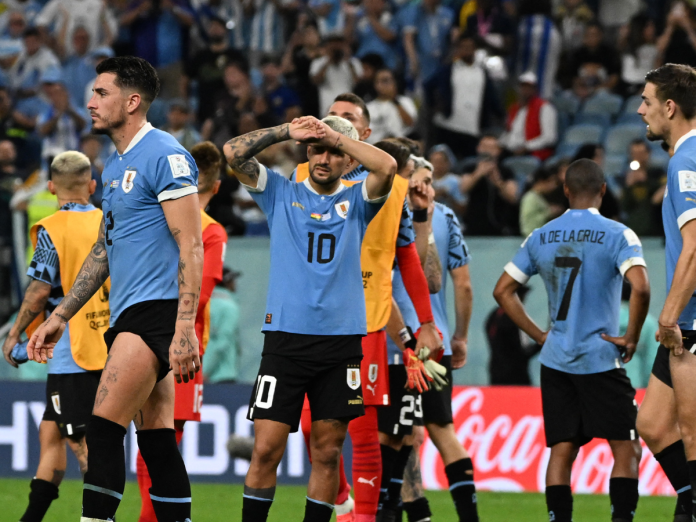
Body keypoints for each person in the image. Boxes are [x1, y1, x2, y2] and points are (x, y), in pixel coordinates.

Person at [28, 56, 202, 522]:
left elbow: (191, 242)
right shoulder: (114, 165)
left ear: (132, 101)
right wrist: (60, 315)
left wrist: (185, 324)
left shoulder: (165, 155)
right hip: (134, 311)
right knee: (157, 437)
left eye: (101, 93)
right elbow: (104, 249)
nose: (90, 102)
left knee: (102, 429)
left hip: (154, 311)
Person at [223, 114, 396, 522]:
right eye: (317, 150)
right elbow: (231, 153)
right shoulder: (280, 192)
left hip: (340, 344)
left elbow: (387, 166)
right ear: (306, 153)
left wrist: (336, 137)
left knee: (328, 452)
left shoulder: (358, 200)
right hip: (285, 340)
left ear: (348, 160)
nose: (324, 158)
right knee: (266, 449)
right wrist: (285, 132)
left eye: (334, 153)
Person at [293, 94, 441, 522]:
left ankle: (363, 516)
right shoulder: (303, 176)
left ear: (365, 133)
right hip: (311, 319)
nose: (335, 123)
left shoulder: (394, 189)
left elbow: (407, 257)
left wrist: (426, 322)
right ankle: (341, 499)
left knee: (362, 431)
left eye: (347, 118)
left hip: (365, 322)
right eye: (331, 117)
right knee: (310, 426)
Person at [493, 158, 650, 522]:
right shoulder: (618, 234)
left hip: (556, 359)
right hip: (600, 358)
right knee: (626, 447)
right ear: (603, 190)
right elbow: (641, 287)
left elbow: (502, 291)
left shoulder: (540, 235)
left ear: (565, 190)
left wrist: (540, 335)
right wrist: (631, 336)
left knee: (562, 450)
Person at [2, 151, 110, 522]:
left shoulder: (52, 228)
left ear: (50, 187)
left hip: (72, 351)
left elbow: (38, 291)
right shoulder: (108, 220)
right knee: (51, 434)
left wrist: (14, 333)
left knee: (81, 444)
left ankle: (101, 517)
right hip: (109, 340)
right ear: (92, 186)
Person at [382, 156, 478, 522]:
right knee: (440, 430)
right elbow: (463, 285)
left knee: (395, 434)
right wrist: (460, 336)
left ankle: (405, 513)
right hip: (435, 343)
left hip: (397, 342)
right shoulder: (448, 217)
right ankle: (468, 517)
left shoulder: (386, 210)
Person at [135, 140, 226, 522]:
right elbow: (200, 295)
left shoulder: (156, 218)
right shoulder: (210, 231)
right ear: (216, 187)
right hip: (182, 349)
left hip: (140, 339)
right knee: (165, 443)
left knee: (148, 442)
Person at [636, 63, 696, 522]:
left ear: (670, 107)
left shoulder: (684, 161)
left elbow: (695, 246)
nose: (642, 111)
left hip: (690, 320)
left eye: (647, 101)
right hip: (686, 315)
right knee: (654, 424)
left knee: (692, 434)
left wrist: (669, 315)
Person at [425, 34, 503, 160]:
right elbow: (428, 85)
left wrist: (500, 114)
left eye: (470, 47)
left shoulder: (482, 72)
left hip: (472, 128)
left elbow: (491, 97)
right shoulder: (449, 69)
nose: (467, 50)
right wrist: (434, 106)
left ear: (475, 49)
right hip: (448, 125)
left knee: (468, 163)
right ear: (458, 49)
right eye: (463, 47)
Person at [459, 134, 519, 235]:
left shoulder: (506, 171)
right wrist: (478, 173)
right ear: (478, 148)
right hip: (474, 225)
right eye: (485, 147)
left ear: (498, 151)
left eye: (491, 148)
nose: (487, 151)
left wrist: (498, 182)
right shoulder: (470, 169)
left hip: (500, 225)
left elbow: (513, 197)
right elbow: (463, 189)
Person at [486, 285, 541, 385]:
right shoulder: (515, 319)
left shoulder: (494, 314)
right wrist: (542, 342)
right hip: (515, 375)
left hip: (496, 370)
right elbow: (521, 353)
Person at [501, 71, 557, 161]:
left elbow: (549, 138)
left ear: (535, 89)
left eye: (529, 87)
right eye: (523, 86)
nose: (525, 90)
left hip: (532, 153)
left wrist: (527, 147)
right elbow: (508, 132)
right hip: (510, 150)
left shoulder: (544, 108)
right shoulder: (514, 109)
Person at [204, 266, 241, 384]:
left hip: (199, 372)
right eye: (233, 280)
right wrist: (206, 371)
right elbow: (222, 342)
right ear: (227, 282)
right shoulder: (229, 307)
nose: (235, 284)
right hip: (222, 374)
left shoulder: (203, 304)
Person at [310, 35, 363, 116]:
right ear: (327, 46)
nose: (336, 47)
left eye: (339, 44)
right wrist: (329, 61)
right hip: (327, 106)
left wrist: (347, 59)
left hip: (349, 106)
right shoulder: (318, 62)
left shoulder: (354, 63)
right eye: (333, 44)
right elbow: (316, 81)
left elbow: (358, 83)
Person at [366, 68, 416, 144]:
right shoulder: (368, 108)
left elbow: (411, 123)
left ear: (395, 82)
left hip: (401, 146)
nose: (381, 85)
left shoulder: (405, 101)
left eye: (385, 81)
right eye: (377, 81)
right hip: (376, 146)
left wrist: (395, 101)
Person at [519, 166, 561, 237]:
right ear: (541, 181)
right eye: (550, 181)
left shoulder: (538, 197)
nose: (553, 185)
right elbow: (529, 222)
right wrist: (549, 212)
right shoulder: (530, 198)